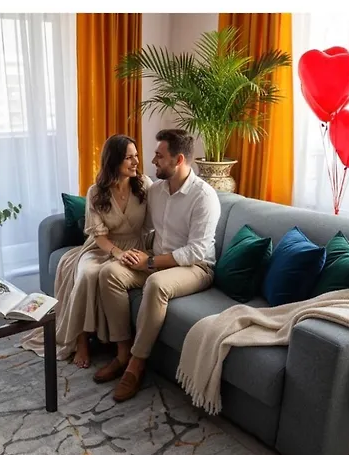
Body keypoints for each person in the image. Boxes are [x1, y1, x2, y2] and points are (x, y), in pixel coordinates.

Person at [94, 129, 221, 401]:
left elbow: (196, 251)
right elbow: (143, 226)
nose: (152, 161)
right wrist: (125, 252)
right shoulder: (156, 191)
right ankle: (122, 353)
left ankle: (136, 364)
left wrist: (149, 261)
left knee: (155, 283)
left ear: (178, 160)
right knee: (109, 273)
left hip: (196, 268)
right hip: (158, 257)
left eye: (159, 156)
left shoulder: (204, 197)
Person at [21, 134, 153, 368]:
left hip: (135, 246)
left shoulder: (144, 185)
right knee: (86, 275)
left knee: (105, 276)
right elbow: (98, 236)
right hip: (101, 247)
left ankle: (110, 343)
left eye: (136, 156)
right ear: (113, 161)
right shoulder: (96, 192)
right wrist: (117, 253)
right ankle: (81, 341)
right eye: (129, 158)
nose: (136, 162)